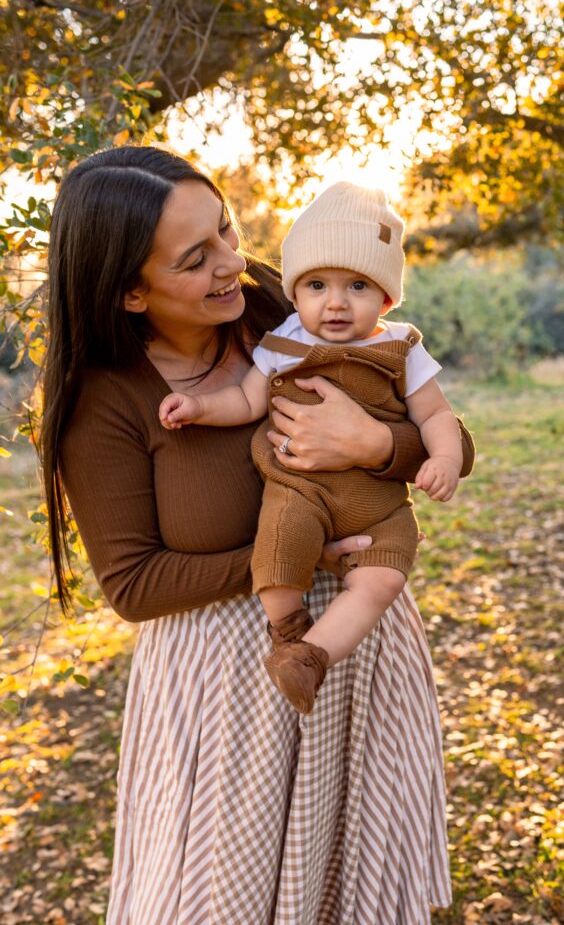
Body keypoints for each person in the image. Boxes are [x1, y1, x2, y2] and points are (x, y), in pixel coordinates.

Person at [39, 145, 474, 925]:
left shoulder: (284, 313)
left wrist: (376, 449)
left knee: (351, 894)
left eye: (229, 232)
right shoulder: (102, 401)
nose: (233, 265)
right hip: (223, 685)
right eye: (196, 258)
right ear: (133, 291)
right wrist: (283, 558)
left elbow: (437, 435)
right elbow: (133, 586)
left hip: (354, 652)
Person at [159, 182, 464, 714]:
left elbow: (437, 415)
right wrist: (199, 408)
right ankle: (290, 636)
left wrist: (443, 459)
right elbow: (246, 401)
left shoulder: (401, 347)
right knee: (278, 554)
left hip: (380, 506)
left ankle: (315, 656)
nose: (337, 302)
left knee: (383, 579)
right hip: (301, 490)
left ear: (387, 298)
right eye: (318, 285)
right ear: (296, 293)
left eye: (359, 286)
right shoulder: (282, 344)